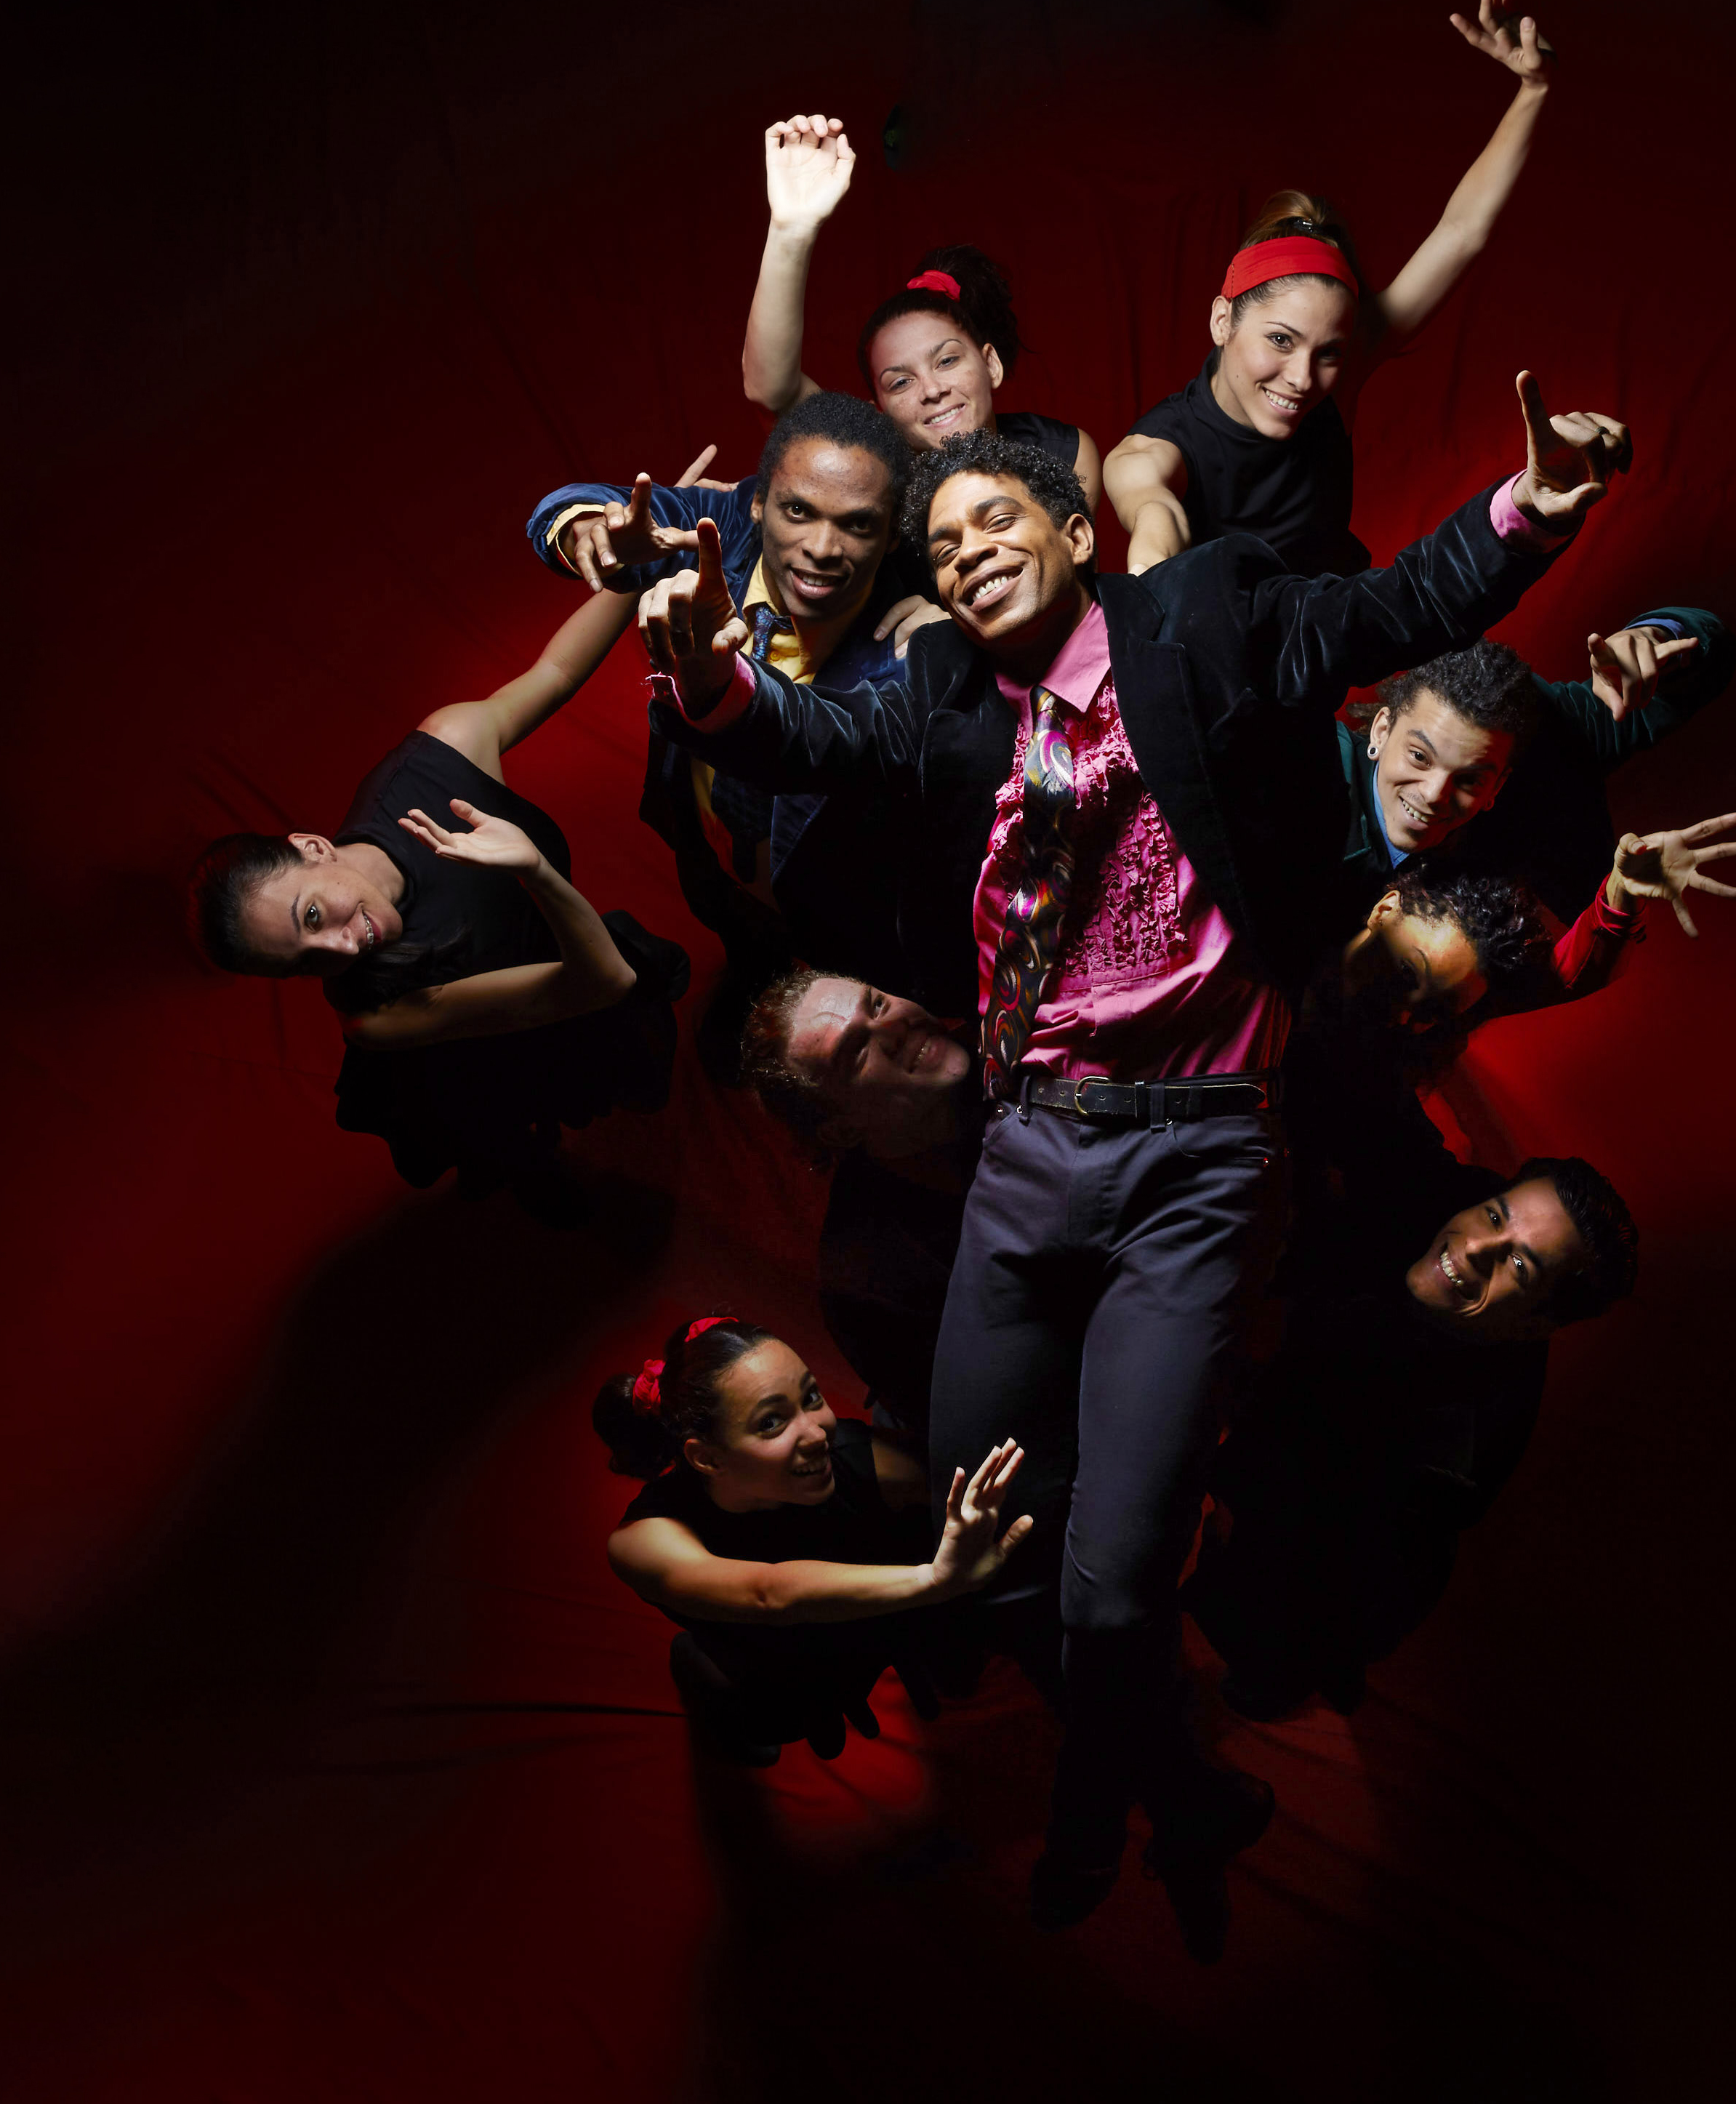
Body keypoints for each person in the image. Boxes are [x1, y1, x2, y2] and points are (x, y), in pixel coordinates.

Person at [637, 371, 1630, 1954]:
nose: (961, 555)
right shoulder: (945, 694)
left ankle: (1104, 1808)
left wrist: (1528, 516)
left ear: (1071, 527)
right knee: (986, 1521)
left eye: (992, 521)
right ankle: (1171, 1779)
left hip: (1199, 1159)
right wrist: (708, 687)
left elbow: (1390, 610)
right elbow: (811, 737)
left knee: (1112, 1586)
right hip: (1029, 1150)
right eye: (939, 540)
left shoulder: (1206, 614)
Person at [186, 523, 692, 1216]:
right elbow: (603, 982)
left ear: (312, 848)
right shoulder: (373, 1014)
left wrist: (645, 563)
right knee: (510, 1127)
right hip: (480, 1038)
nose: (342, 948)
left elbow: (555, 673)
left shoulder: (441, 753)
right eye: (305, 964)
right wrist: (538, 872)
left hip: (558, 959)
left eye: (312, 916)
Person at [531, 397, 966, 1043]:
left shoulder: (912, 636)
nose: (821, 548)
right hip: (708, 839)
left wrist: (711, 685)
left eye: (857, 525)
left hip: (836, 883)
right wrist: (586, 530)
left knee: (846, 996)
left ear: (895, 533)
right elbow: (572, 505)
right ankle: (750, 976)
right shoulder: (725, 526)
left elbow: (812, 743)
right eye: (798, 511)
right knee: (731, 924)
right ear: (759, 501)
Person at [1104, 0, 1562, 577]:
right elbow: (1152, 513)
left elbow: (1460, 232)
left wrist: (1533, 89)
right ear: (1222, 319)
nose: (1301, 379)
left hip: (1327, 641)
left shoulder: (1335, 383)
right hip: (1216, 659)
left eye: (1329, 352)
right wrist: (1155, 581)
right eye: (1280, 339)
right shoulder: (1155, 450)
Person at [1186, 1147, 1642, 1721]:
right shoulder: (1438, 1204)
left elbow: (1339, 1582)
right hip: (1284, 1456)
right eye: (1496, 1216)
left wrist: (1229, 1499)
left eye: (1519, 1267)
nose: (1474, 1248)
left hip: (1313, 1578)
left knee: (1259, 1655)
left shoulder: (1441, 1454)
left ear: (1535, 1324)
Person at [598, 1312, 1032, 1765]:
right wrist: (936, 1579)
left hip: (873, 1625)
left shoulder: (862, 1459)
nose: (818, 1432)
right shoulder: (645, 1539)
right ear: (706, 1458)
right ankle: (698, 1669)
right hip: (775, 1664)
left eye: (810, 1396)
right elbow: (765, 1593)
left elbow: (975, 1482)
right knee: (763, 1726)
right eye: (771, 1423)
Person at [736, 116, 1104, 513]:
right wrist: (792, 229)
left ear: (990, 364)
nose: (932, 391)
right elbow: (771, 388)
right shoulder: (873, 470)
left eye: (946, 360)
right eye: (900, 383)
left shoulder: (1064, 454)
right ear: (880, 411)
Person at [1342, 610, 1736, 922]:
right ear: (1381, 730)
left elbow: (1712, 658)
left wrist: (1653, 636)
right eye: (1419, 756)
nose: (1433, 795)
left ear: (1499, 784)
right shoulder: (1306, 768)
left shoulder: (1550, 743)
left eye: (1470, 779)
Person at [734, 968, 984, 1445]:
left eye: (877, 1004)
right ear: (839, 1130)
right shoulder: (867, 1280)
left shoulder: (1035, 1041)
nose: (893, 1027)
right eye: (857, 1053)